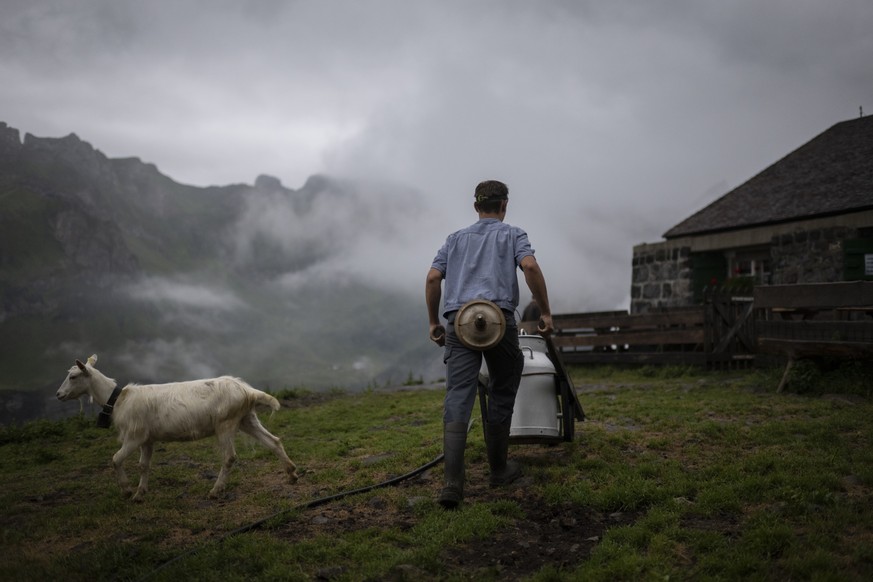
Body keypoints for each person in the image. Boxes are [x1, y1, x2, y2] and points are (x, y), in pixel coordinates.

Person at [425, 179, 554, 509]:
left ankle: (453, 483)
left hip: (460, 322)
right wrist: (546, 312)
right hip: (497, 321)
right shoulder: (512, 234)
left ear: (476, 206)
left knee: (458, 393)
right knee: (505, 380)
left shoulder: (454, 240)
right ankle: (499, 469)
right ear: (504, 205)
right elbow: (530, 266)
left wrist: (434, 321)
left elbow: (432, 278)